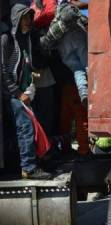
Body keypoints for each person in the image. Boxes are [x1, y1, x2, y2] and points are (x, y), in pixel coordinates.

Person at [1, 3, 51, 179]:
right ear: (16, 19)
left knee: (27, 127)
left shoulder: (27, 38)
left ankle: (29, 164)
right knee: (26, 127)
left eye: (29, 17)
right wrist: (17, 93)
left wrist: (31, 77)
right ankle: (29, 168)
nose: (28, 21)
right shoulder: (6, 39)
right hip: (13, 93)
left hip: (25, 91)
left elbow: (26, 64)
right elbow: (3, 71)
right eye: (24, 17)